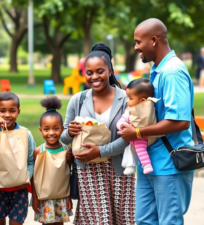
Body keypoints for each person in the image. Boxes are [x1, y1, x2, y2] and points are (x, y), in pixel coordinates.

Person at [118, 18, 194, 225]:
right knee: (144, 221)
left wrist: (137, 133)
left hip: (170, 163)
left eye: (138, 42)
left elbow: (180, 122)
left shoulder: (172, 72)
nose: (135, 47)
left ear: (153, 40)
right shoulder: (157, 70)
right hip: (149, 162)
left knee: (168, 221)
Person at [61, 43, 135, 225]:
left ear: (110, 70)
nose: (94, 77)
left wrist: (101, 151)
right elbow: (63, 136)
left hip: (119, 170)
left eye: (100, 71)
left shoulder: (126, 99)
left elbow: (128, 138)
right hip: (89, 170)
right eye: (89, 72)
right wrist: (69, 132)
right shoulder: (78, 100)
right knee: (98, 221)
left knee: (124, 219)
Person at [0, 92, 35, 225]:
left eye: (12, 111)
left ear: (18, 112)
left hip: (19, 190)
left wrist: (26, 178)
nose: (7, 115)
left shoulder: (26, 134)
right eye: (2, 111)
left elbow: (31, 161)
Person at [31, 96, 73, 224]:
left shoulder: (67, 150)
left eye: (56, 128)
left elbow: (67, 174)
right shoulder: (39, 151)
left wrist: (68, 197)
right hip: (44, 198)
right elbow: (35, 176)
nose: (51, 133)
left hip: (61, 197)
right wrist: (34, 198)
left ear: (62, 129)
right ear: (41, 130)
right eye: (46, 129)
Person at [116, 78, 155, 175]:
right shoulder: (151, 107)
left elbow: (123, 119)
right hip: (144, 135)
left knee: (139, 147)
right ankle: (130, 166)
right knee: (129, 148)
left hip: (140, 136)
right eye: (127, 97)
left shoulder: (133, 111)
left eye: (130, 98)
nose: (127, 101)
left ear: (142, 100)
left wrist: (121, 125)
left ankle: (146, 165)